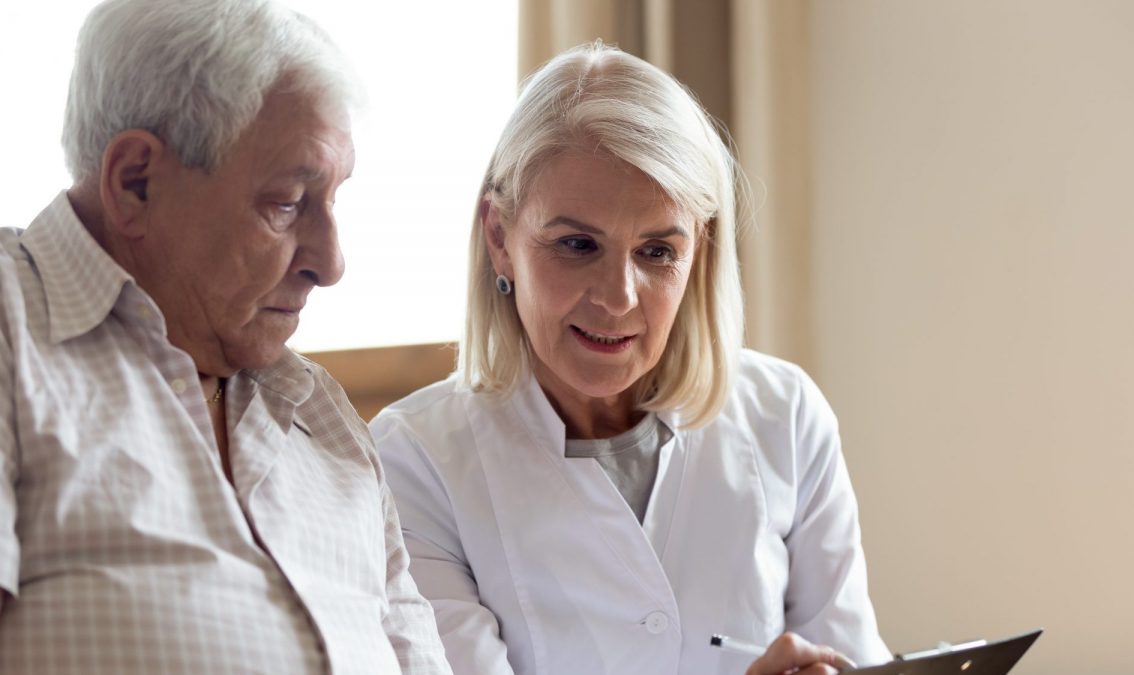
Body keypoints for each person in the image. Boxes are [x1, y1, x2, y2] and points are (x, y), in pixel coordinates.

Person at [371, 42, 891, 675]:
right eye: (577, 244)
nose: (618, 298)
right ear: (500, 238)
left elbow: (856, 659)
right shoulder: (412, 460)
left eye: (656, 252)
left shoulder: (785, 415)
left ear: (698, 249)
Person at [0, 1, 451, 673]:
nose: (330, 263)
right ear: (135, 182)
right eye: (287, 202)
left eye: (334, 200)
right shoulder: (14, 329)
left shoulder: (321, 413)